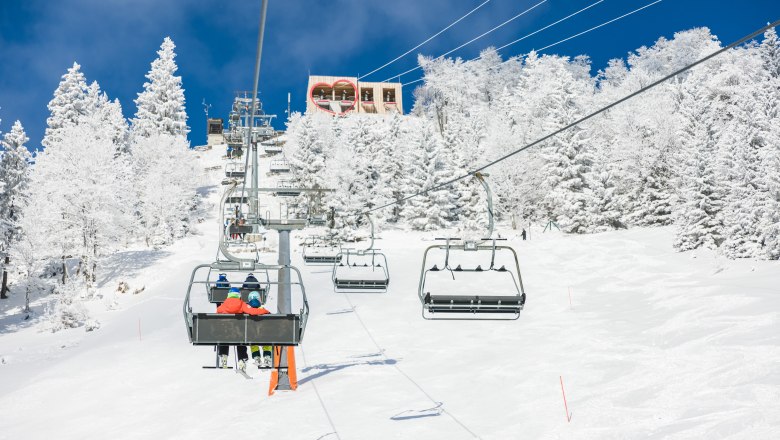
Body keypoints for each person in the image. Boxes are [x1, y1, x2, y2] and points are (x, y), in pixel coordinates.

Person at [216, 287, 270, 370]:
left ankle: (223, 355)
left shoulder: (223, 305)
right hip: (238, 333)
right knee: (241, 339)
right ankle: (242, 359)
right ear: (239, 295)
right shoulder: (241, 304)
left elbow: (217, 312)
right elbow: (252, 311)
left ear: (229, 295)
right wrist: (264, 311)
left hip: (226, 333)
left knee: (224, 335)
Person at [246, 291, 274, 367]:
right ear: (259, 300)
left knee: (251, 339)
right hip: (264, 335)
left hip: (252, 336)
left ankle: (256, 357)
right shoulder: (265, 311)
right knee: (267, 337)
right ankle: (267, 357)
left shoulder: (247, 311)